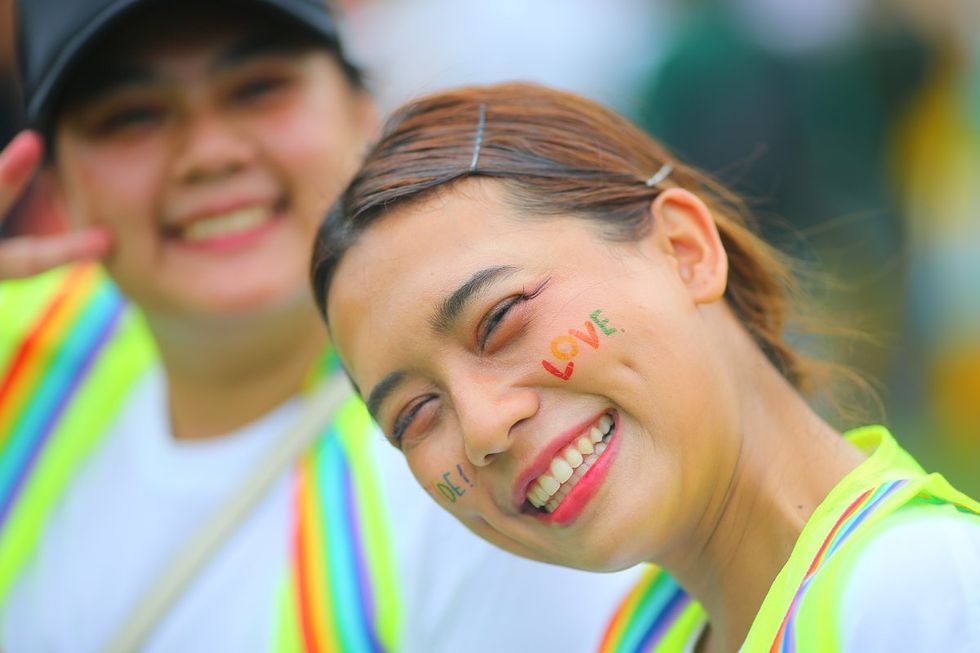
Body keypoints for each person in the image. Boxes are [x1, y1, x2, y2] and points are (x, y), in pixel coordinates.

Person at [0, 3, 646, 651]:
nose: (209, 153)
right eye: (131, 116)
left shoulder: (485, 478)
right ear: (51, 183)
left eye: (258, 87)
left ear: (365, 110)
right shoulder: (21, 341)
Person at [311, 82, 980, 652]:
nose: (483, 426)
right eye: (416, 416)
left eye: (499, 320)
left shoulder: (923, 598)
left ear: (685, 250)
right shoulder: (652, 630)